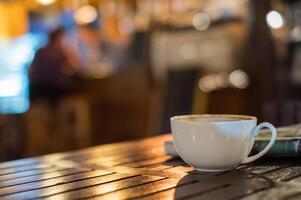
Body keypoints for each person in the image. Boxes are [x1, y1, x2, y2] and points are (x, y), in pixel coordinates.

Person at [29, 27, 79, 102]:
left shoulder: (40, 51)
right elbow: (76, 67)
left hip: (36, 89)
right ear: (59, 38)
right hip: (55, 89)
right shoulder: (60, 52)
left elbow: (30, 71)